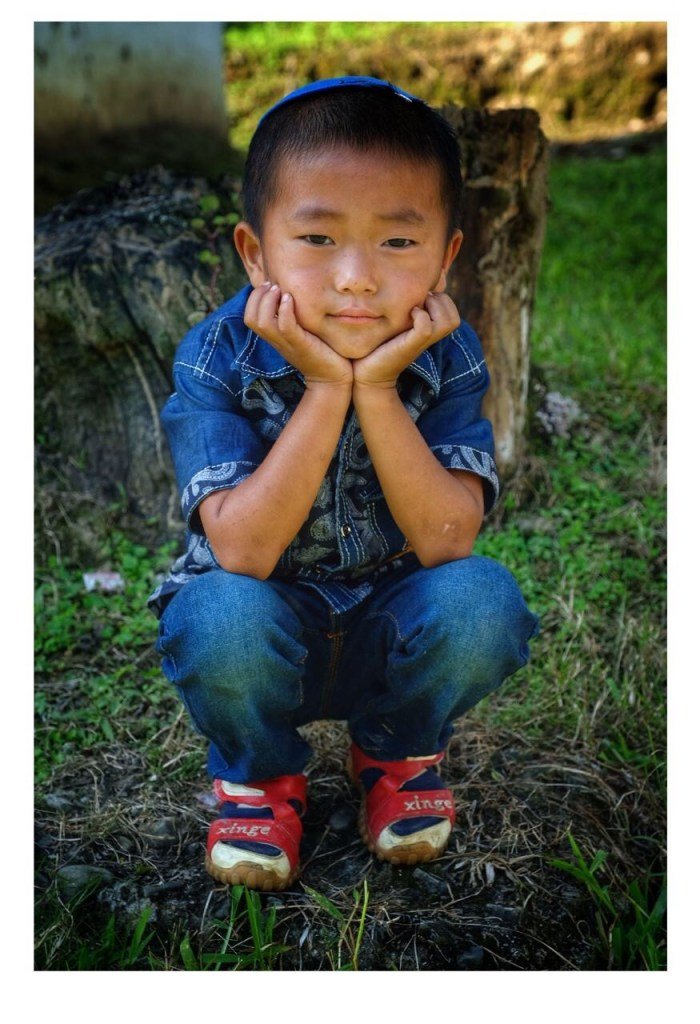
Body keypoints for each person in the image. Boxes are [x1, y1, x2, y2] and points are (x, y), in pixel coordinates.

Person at [148, 77, 539, 892]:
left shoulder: (449, 356)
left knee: (483, 603)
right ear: (255, 253)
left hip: (392, 620)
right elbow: (243, 551)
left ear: (446, 257)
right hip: (261, 622)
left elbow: (448, 539)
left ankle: (395, 750)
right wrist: (329, 388)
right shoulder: (216, 356)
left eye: (397, 242)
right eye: (318, 238)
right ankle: (261, 775)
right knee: (215, 615)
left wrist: (380, 388)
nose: (356, 277)